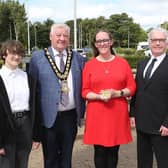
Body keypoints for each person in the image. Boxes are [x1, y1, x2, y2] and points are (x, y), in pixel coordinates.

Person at [29, 23, 85, 168]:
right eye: (58, 35)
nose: (62, 38)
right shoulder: (37, 58)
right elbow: (32, 90)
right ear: (51, 37)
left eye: (65, 35)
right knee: (50, 159)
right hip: (48, 118)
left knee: (67, 158)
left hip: (70, 117)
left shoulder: (78, 58)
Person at [82, 29, 136, 168]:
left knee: (113, 151)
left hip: (116, 112)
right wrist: (99, 96)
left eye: (105, 40)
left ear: (111, 42)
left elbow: (132, 87)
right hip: (97, 113)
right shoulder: (89, 65)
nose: (103, 43)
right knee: (99, 150)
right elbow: (84, 91)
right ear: (95, 44)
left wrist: (117, 93)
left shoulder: (122, 63)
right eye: (99, 41)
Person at [130, 27, 168, 168]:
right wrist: (132, 113)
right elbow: (137, 91)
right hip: (142, 124)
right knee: (143, 162)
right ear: (149, 42)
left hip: (162, 127)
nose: (158, 43)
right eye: (154, 40)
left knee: (164, 162)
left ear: (166, 43)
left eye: (161, 40)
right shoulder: (142, 64)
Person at [0, 40, 41, 168]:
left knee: (22, 163)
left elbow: (35, 107)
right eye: (13, 53)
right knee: (6, 164)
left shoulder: (27, 78)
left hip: (25, 125)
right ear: (4, 54)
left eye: (20, 54)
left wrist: (36, 135)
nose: (17, 57)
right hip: (5, 126)